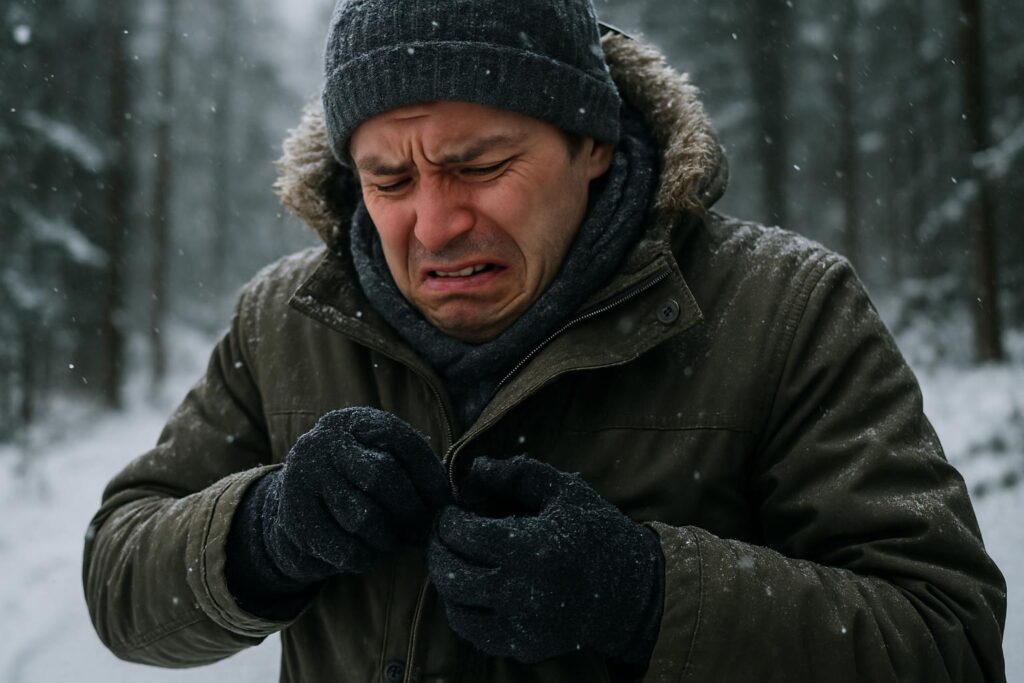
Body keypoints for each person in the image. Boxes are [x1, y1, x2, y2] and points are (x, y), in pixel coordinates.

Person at [82, 0, 1007, 681]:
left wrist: (644, 596)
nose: (435, 224)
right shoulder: (283, 319)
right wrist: (265, 531)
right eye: (387, 179)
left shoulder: (786, 310)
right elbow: (121, 584)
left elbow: (944, 637)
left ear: (593, 141)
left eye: (480, 165)